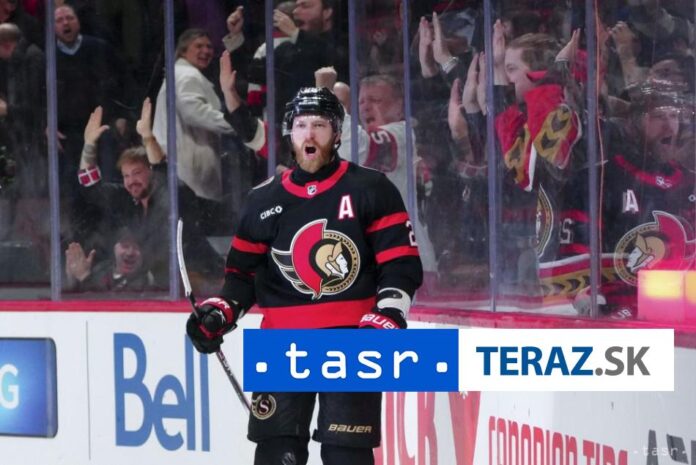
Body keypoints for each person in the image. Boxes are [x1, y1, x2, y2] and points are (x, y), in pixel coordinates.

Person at [185, 86, 423, 465]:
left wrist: (390, 314)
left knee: (346, 455)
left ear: (337, 133)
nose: (309, 134)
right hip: (281, 343)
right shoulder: (262, 200)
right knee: (277, 454)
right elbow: (241, 277)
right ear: (289, 133)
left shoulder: (371, 188)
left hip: (352, 343)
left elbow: (401, 264)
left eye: (319, 125)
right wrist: (221, 312)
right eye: (300, 126)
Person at [77, 98, 224, 292]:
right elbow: (91, 188)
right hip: (168, 285)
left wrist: (147, 138)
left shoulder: (173, 192)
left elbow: (162, 169)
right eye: (126, 176)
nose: (131, 181)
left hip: (206, 278)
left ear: (151, 172)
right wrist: (89, 146)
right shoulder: (129, 200)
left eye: (137, 173)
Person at [64, 226, 155, 292]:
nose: (130, 253)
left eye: (136, 248)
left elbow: (111, 303)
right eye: (125, 246)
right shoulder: (100, 270)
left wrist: (84, 277)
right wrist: (73, 278)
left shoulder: (146, 280)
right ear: (114, 248)